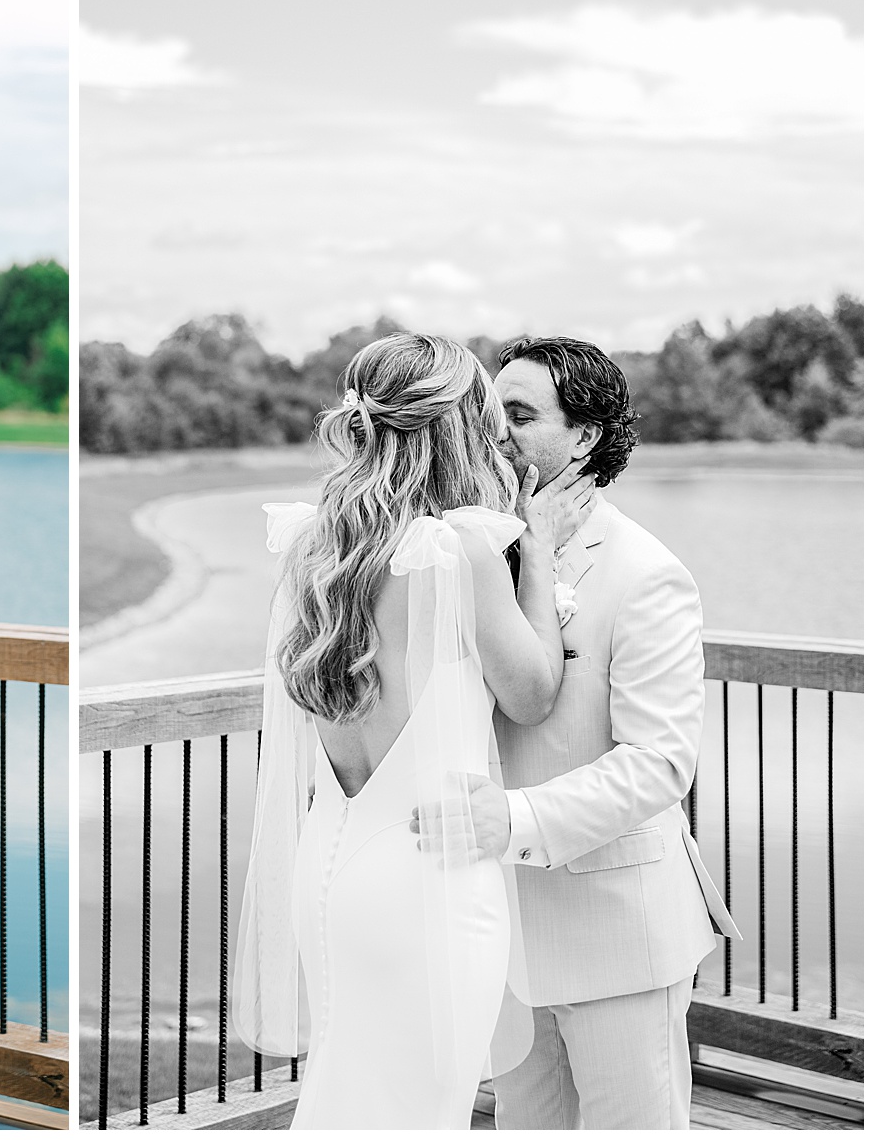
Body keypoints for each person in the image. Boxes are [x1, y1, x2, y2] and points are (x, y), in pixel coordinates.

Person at [233, 332, 593, 1129]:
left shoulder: (312, 544)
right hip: (428, 878)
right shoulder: (454, 551)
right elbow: (532, 692)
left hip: (329, 874)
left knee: (346, 1096)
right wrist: (535, 553)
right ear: (455, 427)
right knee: (421, 1114)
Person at [467, 336, 739, 1129]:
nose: (496, 433)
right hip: (502, 939)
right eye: (490, 414)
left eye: (519, 415)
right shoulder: (477, 549)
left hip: (617, 934)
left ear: (585, 436)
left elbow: (658, 765)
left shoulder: (645, 572)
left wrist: (512, 819)